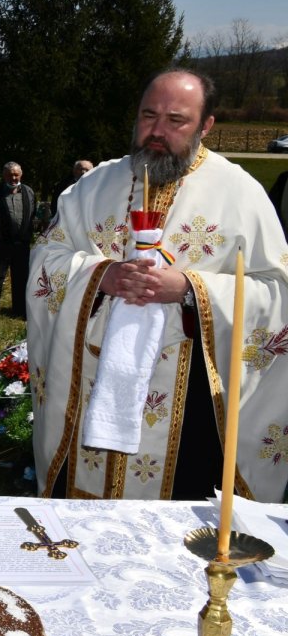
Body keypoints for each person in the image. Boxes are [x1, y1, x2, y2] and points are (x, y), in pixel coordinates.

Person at [27, 68, 288, 502]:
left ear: (206, 125)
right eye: (149, 116)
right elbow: (45, 260)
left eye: (176, 120)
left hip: (190, 411)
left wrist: (190, 288)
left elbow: (277, 291)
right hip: (90, 392)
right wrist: (100, 275)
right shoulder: (93, 186)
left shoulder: (240, 194)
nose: (157, 131)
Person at [0, 162, 35, 318]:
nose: (13, 178)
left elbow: (32, 212)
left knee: (21, 278)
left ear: (21, 175)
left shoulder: (28, 192)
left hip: (22, 243)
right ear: (4, 175)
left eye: (16, 174)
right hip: (0, 242)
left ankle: (19, 310)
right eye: (10, 174)